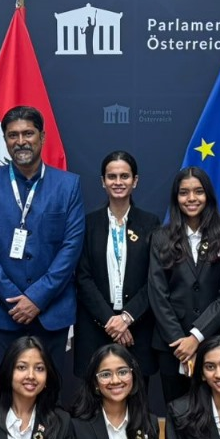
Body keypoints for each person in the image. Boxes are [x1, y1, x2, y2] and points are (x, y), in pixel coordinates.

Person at [0, 107, 84, 376]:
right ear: (5, 139)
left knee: (49, 389)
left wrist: (37, 297)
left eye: (28, 133)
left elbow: (71, 247)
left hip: (51, 309)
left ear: (42, 137)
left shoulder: (68, 185)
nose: (21, 141)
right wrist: (13, 299)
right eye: (13, 135)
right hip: (1, 311)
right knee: (1, 389)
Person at [147, 168, 220, 404]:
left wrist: (196, 337)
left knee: (215, 410)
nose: (191, 198)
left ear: (208, 195)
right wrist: (181, 341)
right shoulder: (160, 237)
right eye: (184, 192)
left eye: (198, 191)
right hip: (172, 345)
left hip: (215, 339)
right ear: (176, 197)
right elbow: (158, 294)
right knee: (176, 411)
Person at [74, 151, 161, 379]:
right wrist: (110, 321)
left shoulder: (150, 223)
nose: (118, 182)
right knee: (94, 393)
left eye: (125, 176)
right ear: (103, 181)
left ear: (135, 181)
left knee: (136, 393)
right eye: (112, 177)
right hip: (96, 326)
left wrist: (126, 318)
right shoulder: (88, 224)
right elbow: (83, 277)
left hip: (137, 327)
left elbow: (155, 278)